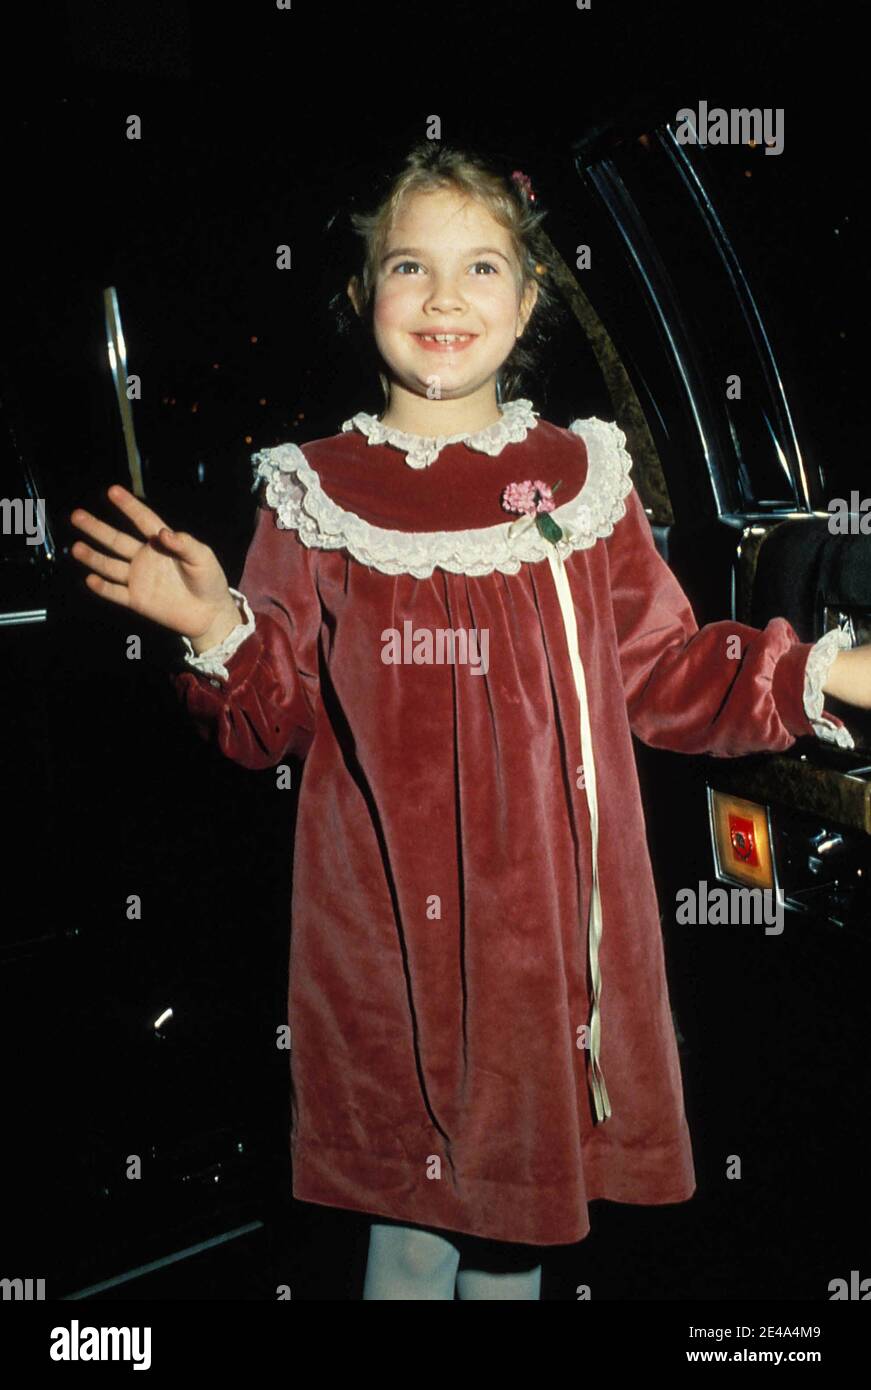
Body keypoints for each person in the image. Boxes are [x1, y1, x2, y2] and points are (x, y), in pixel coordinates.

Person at [69, 142, 871, 1300]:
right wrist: (214, 626)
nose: (446, 296)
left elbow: (661, 672)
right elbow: (267, 724)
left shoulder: (580, 479)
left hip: (550, 955)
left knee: (518, 1235)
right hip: (386, 946)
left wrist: (829, 671)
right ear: (362, 298)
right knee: (407, 1231)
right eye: (411, 265)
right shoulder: (312, 492)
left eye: (482, 266)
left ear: (531, 298)